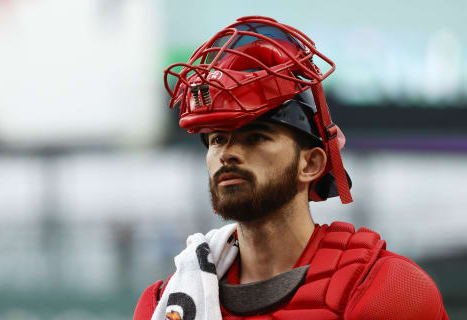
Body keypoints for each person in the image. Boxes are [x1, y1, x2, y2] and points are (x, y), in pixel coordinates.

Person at [134, 16, 448, 320]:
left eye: (256, 137)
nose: (227, 153)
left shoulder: (386, 291)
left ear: (311, 164)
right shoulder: (165, 304)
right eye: (217, 139)